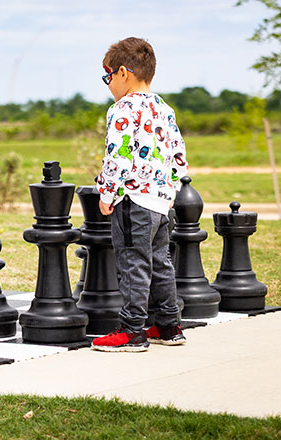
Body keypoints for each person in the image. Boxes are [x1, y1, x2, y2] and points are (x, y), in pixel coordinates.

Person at [91, 37, 189, 351]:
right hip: (162, 201)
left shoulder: (122, 109)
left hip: (134, 202)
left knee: (133, 263)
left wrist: (106, 193)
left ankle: (133, 330)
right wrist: (171, 190)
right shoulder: (164, 108)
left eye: (108, 76)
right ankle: (168, 325)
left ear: (123, 73)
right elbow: (178, 155)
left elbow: (117, 157)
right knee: (161, 263)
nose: (108, 84)